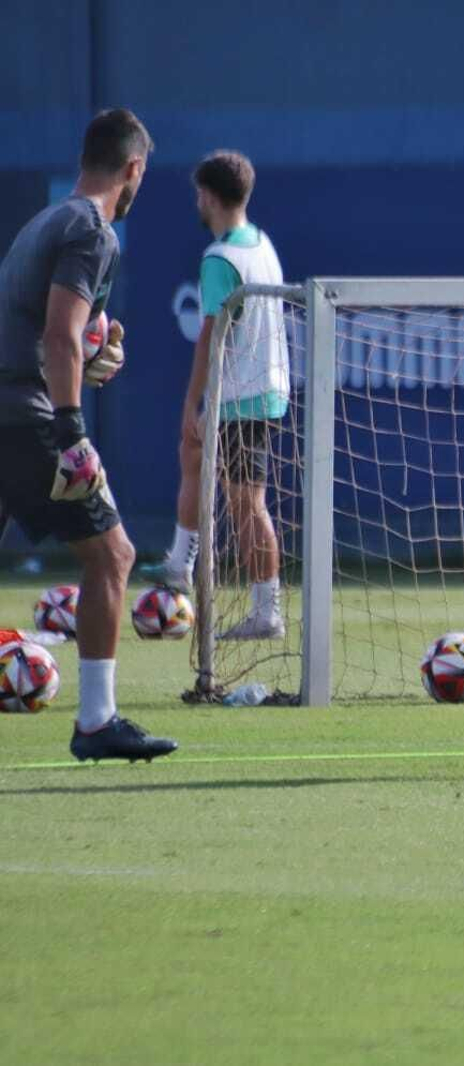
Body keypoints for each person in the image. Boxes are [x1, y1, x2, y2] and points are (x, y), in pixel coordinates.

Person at [0, 108, 176, 762]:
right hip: (30, 416)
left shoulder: (44, 222)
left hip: (8, 404)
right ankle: (97, 721)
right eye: (142, 176)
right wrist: (72, 430)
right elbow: (59, 333)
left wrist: (89, 355)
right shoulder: (93, 230)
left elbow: (54, 333)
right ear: (133, 168)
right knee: (113, 556)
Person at [141, 150, 289, 641]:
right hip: (259, 388)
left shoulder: (219, 258)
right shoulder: (261, 242)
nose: (197, 203)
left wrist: (194, 402)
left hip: (243, 394)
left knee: (247, 504)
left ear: (207, 196)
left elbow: (210, 336)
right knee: (194, 454)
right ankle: (180, 563)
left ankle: (266, 612)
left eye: (198, 195)